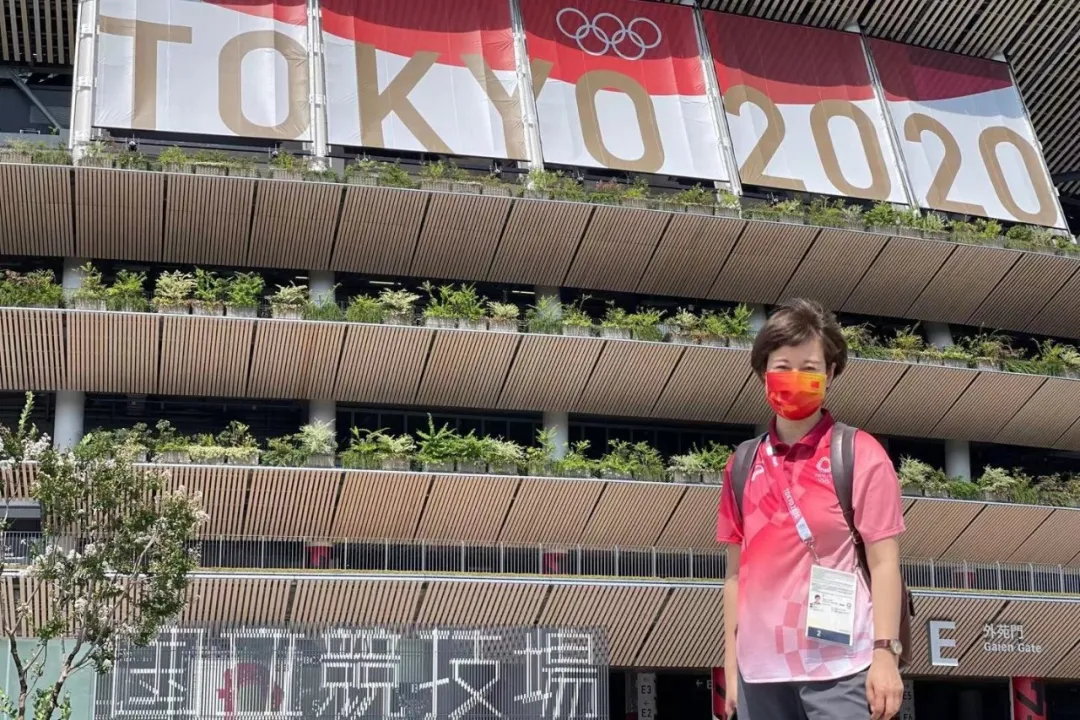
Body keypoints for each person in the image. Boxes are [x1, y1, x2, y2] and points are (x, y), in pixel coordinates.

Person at [717, 298, 906, 720]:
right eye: (782, 367)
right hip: (760, 673)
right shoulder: (742, 464)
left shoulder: (858, 453)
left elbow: (884, 562)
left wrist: (885, 653)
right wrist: (731, 663)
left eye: (809, 368)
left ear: (831, 373)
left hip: (840, 667)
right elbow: (735, 575)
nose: (794, 378)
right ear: (763, 373)